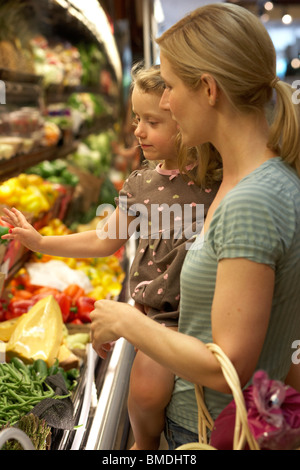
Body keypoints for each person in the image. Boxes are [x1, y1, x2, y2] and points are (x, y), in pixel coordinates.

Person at [88, 3, 300, 450]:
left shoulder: (252, 201)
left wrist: (126, 319)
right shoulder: (248, 178)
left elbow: (227, 366)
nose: (163, 102)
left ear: (207, 89)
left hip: (208, 429)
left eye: (168, 86)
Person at [2, 63, 220, 450]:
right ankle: (145, 447)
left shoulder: (218, 180)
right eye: (136, 118)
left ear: (186, 119)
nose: (138, 130)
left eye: (152, 121)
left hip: (207, 310)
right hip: (158, 313)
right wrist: (40, 242)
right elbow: (106, 240)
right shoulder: (142, 183)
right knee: (146, 394)